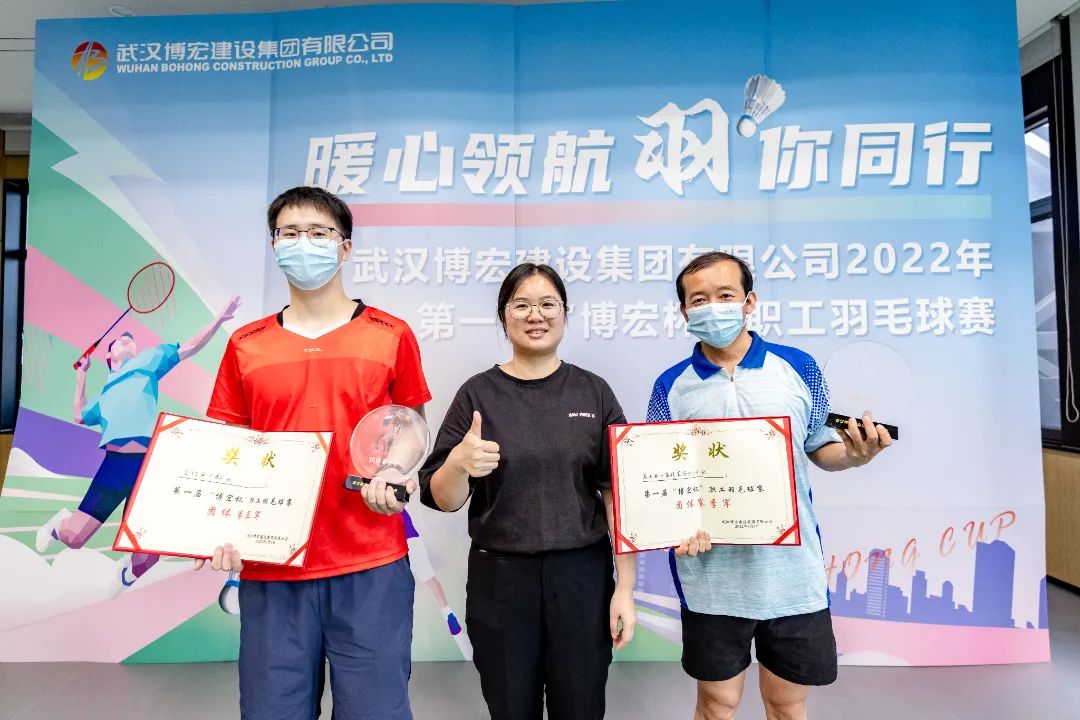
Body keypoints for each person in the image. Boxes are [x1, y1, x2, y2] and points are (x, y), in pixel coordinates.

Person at [197, 186, 430, 720]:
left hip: (370, 560)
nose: (304, 243)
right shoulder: (246, 344)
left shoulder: (390, 334)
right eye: (291, 233)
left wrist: (395, 467)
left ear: (344, 247)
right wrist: (217, 525)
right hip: (272, 564)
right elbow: (227, 448)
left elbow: (411, 424)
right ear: (274, 246)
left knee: (376, 711)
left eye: (319, 232)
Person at [647, 251, 892, 720]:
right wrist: (673, 526)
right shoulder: (671, 385)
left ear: (749, 301)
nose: (713, 307)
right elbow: (662, 474)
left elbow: (820, 447)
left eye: (725, 295)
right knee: (716, 704)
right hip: (712, 579)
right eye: (699, 299)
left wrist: (855, 456)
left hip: (792, 576)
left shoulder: (798, 367)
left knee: (786, 704)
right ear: (684, 311)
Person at [418, 263, 637, 720]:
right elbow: (442, 498)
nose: (535, 315)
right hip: (500, 579)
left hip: (580, 577)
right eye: (521, 305)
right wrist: (458, 463)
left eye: (547, 304)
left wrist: (626, 589)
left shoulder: (593, 392)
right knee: (510, 707)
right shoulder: (477, 395)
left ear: (564, 312)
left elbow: (618, 497)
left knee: (580, 707)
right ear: (504, 316)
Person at [35, 296, 240, 592]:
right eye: (120, 340)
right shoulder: (104, 393)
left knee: (147, 557)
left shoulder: (148, 361)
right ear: (109, 356)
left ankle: (127, 573)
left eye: (130, 339)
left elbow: (190, 347)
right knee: (74, 539)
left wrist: (218, 320)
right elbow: (79, 415)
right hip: (114, 468)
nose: (128, 338)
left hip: (146, 468)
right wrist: (81, 376)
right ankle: (59, 524)